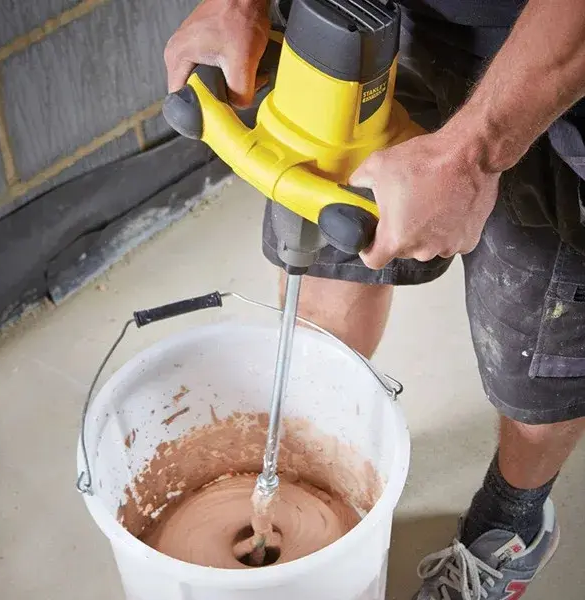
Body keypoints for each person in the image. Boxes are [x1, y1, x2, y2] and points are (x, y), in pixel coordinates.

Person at [164, 0, 585, 597]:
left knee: (535, 355)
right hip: (370, 25)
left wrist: (474, 152)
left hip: (556, 55)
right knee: (323, 295)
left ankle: (512, 522)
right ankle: (305, 470)